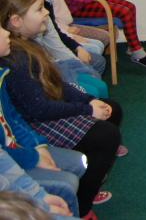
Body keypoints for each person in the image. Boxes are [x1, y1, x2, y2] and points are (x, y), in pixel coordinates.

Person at [0, 0, 123, 219]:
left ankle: (91, 179)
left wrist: (89, 101)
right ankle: (83, 205)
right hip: (37, 122)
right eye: (39, 9)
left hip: (40, 113)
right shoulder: (15, 57)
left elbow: (55, 84)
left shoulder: (29, 44)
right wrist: (86, 109)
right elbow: (38, 110)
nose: (46, 12)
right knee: (106, 135)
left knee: (111, 108)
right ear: (16, 21)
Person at [1, 17, 85, 219]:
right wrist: (38, 198)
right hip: (14, 163)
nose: (6, 32)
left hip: (16, 155)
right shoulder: (14, 62)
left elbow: (14, 120)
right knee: (66, 185)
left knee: (76, 166)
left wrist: (37, 147)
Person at [5, 0, 107, 98]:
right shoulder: (16, 46)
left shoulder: (42, 14)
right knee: (92, 85)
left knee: (97, 81)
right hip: (51, 71)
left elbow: (56, 42)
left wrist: (80, 65)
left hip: (54, 64)